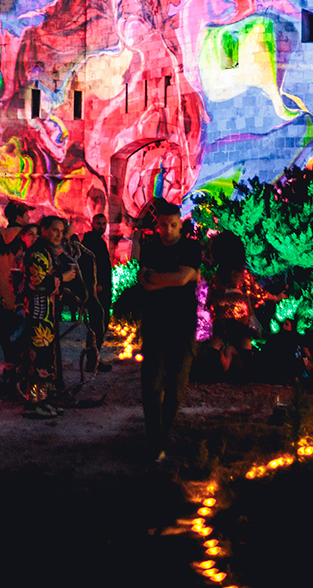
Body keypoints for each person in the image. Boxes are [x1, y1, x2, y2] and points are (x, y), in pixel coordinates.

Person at [135, 198, 202, 461]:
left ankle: (162, 435)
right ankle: (155, 440)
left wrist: (161, 278)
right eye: (164, 225)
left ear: (180, 224)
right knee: (151, 385)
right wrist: (176, 278)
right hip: (154, 323)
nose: (169, 230)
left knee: (176, 385)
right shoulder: (149, 247)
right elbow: (146, 282)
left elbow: (180, 277)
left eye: (173, 225)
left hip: (183, 324)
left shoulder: (190, 247)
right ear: (158, 225)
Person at [20, 216, 76, 418]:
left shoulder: (48, 252)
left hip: (47, 314)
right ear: (43, 230)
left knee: (46, 359)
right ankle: (33, 403)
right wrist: (62, 278)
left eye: (61, 231)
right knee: (38, 360)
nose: (58, 235)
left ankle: (42, 399)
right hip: (38, 314)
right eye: (54, 230)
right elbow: (36, 283)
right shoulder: (37, 253)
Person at [0, 201, 31, 363]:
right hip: (21, 299)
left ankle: (9, 367)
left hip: (0, 299)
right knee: (23, 340)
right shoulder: (27, 239)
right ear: (19, 217)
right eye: (27, 215)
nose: (29, 218)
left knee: (6, 337)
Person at [80, 213, 113, 370]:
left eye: (103, 223)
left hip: (102, 290)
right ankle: (92, 362)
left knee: (99, 325)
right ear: (92, 224)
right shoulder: (91, 241)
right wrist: (94, 285)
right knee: (97, 326)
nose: (102, 226)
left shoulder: (98, 241)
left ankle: (93, 360)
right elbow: (87, 265)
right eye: (99, 223)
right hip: (98, 292)